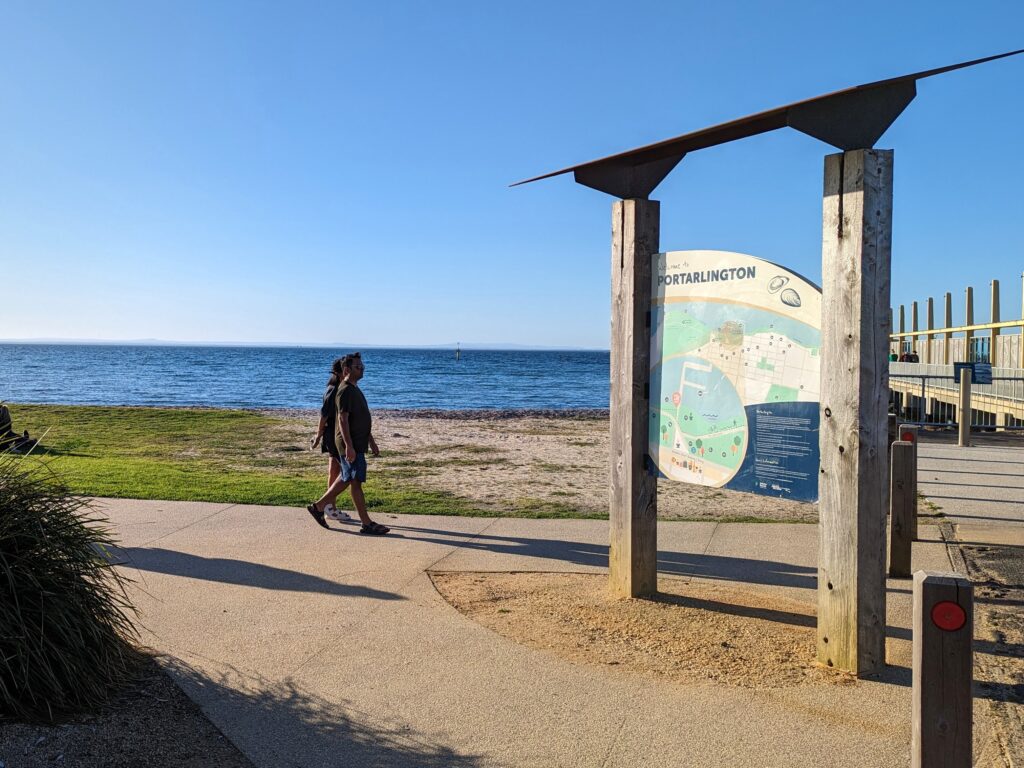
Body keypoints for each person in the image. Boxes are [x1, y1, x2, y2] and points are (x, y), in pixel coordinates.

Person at [306, 353, 390, 535]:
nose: (362, 369)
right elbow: (342, 420)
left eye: (362, 366)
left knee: (349, 479)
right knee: (352, 480)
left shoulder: (354, 389)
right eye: (358, 367)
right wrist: (349, 446)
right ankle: (363, 522)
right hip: (349, 445)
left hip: (357, 443)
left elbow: (361, 419)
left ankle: (320, 507)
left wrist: (372, 442)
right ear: (346, 370)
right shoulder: (344, 391)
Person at [310, 359, 353, 522]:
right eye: (346, 370)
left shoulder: (340, 389)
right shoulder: (333, 389)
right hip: (332, 436)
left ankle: (329, 508)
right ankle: (327, 507)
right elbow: (324, 415)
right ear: (340, 372)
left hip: (334, 435)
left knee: (334, 470)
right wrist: (318, 436)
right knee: (343, 472)